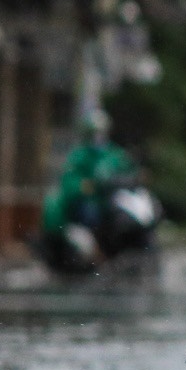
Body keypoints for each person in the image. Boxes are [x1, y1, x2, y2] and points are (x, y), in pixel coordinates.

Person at [41, 111, 139, 261]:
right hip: (90, 202)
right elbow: (70, 181)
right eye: (95, 133)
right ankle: (97, 253)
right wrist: (87, 187)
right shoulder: (79, 156)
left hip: (112, 200)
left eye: (102, 132)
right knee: (90, 214)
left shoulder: (114, 154)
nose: (99, 137)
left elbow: (128, 170)